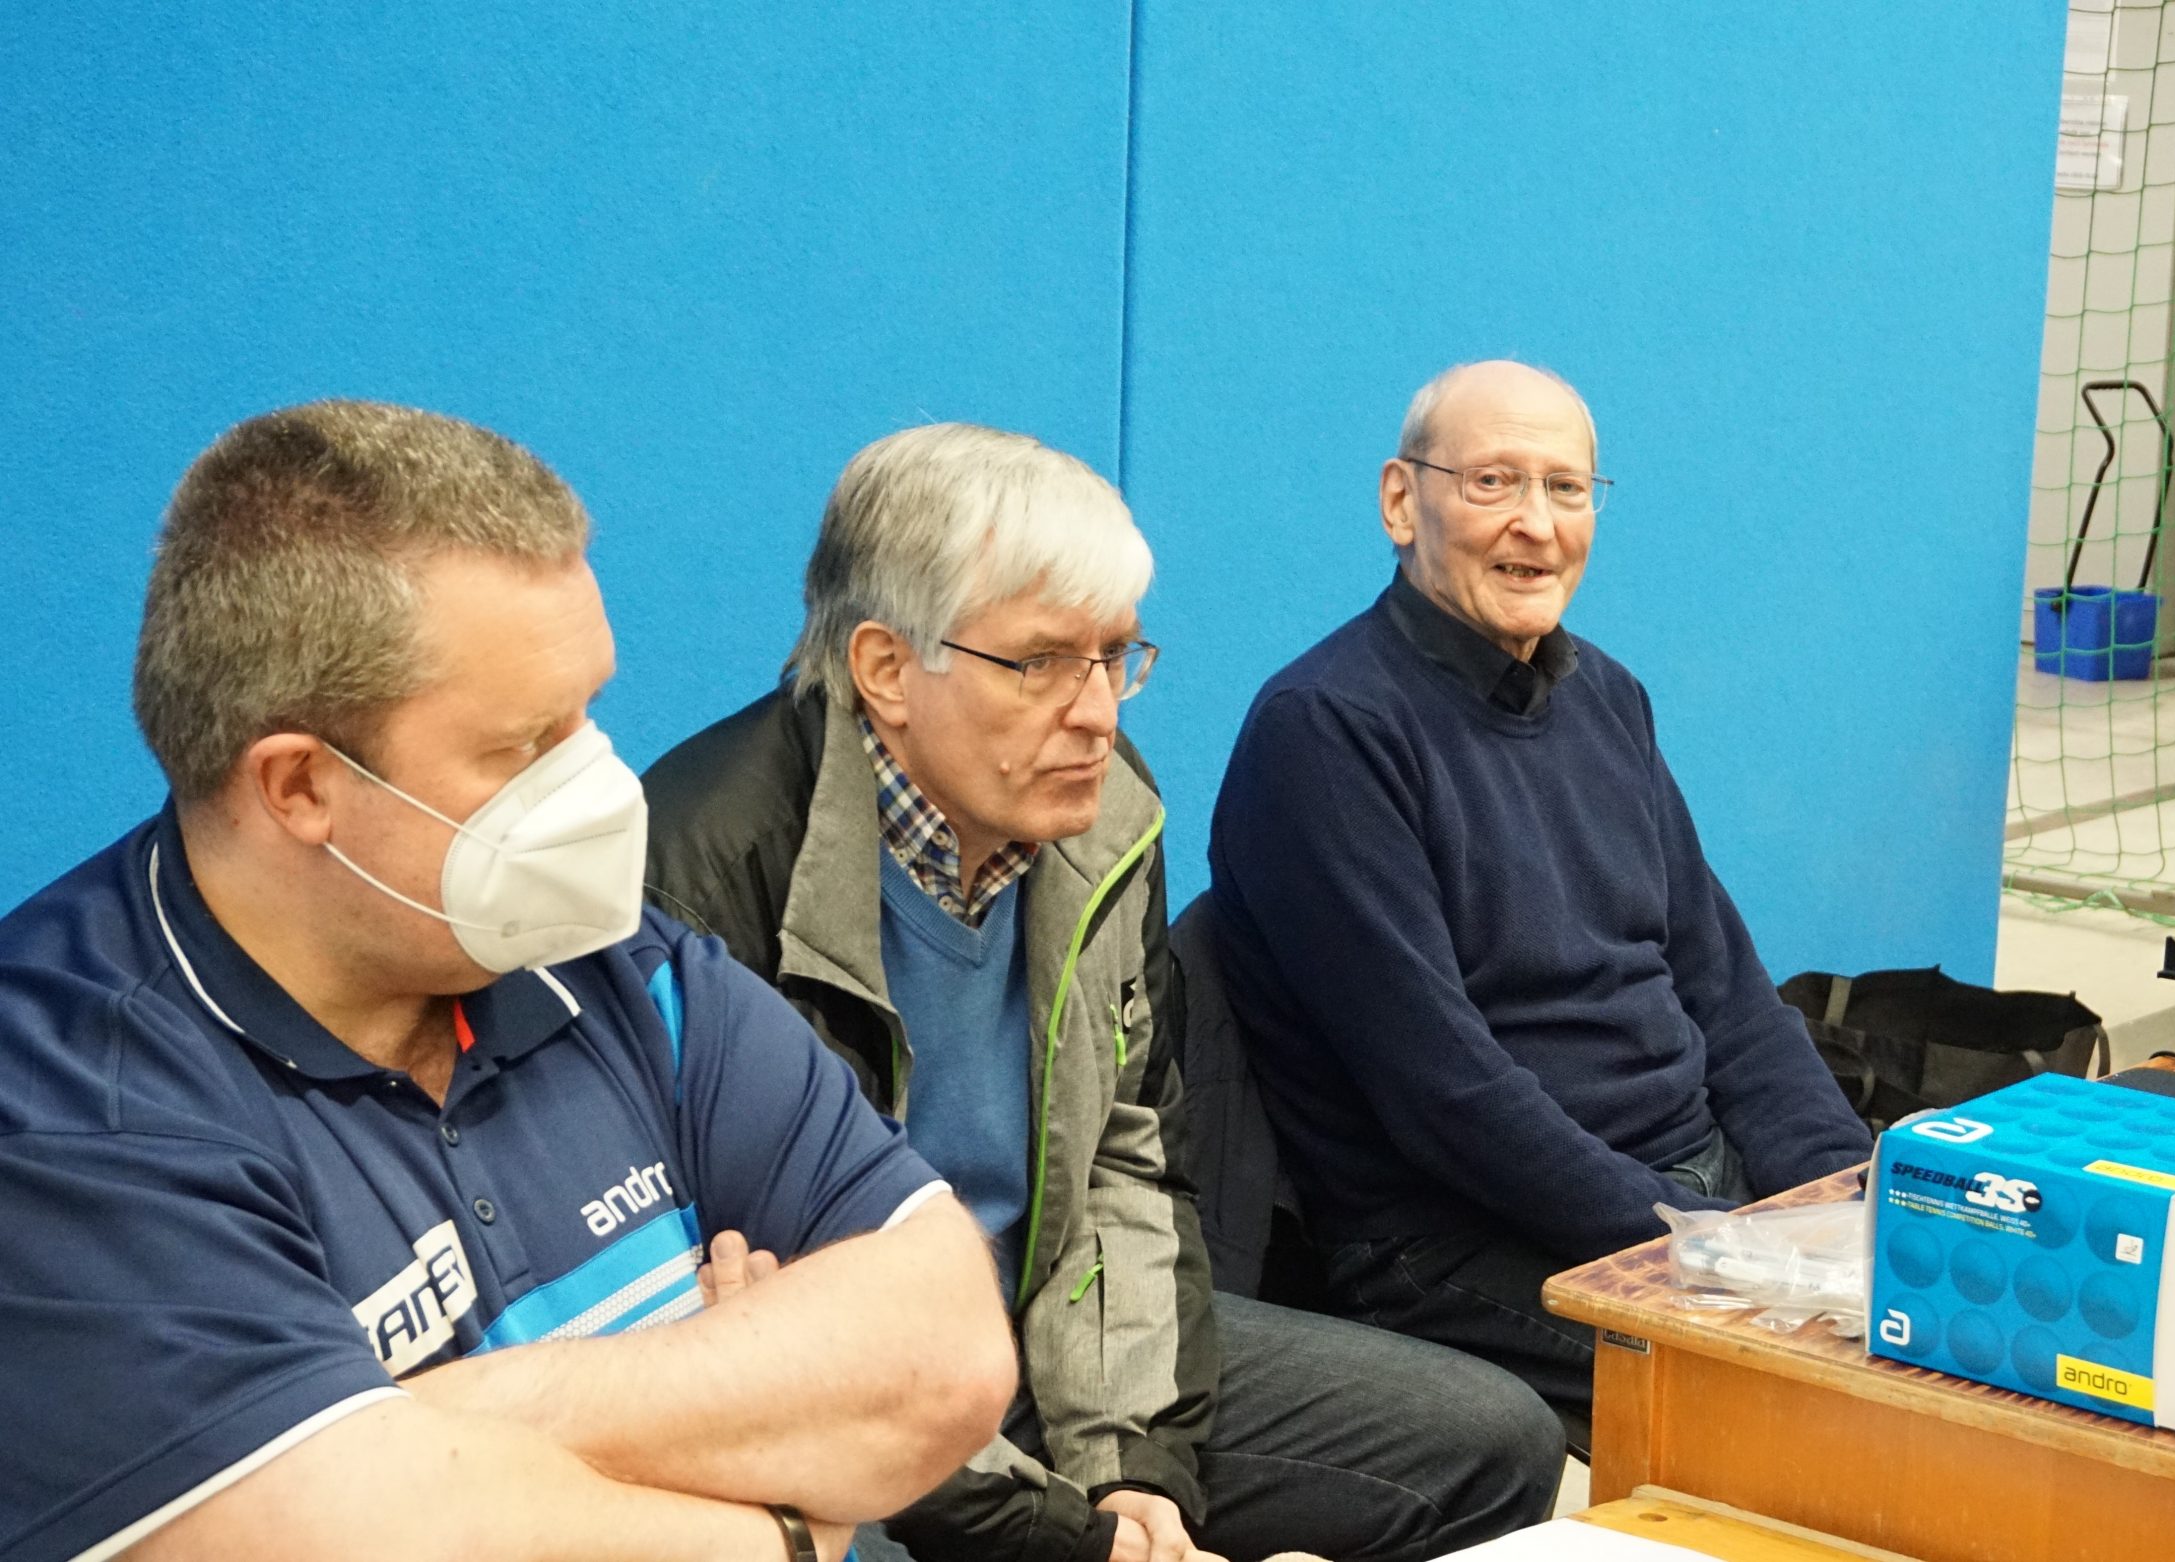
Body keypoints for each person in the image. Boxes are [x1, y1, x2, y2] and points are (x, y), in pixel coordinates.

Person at [0, 402, 1017, 1562]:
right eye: (525, 745)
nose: (597, 783)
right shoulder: (68, 1109)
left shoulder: (600, 956)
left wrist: (436, 1420)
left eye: (589, 711)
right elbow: (341, 1538)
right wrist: (780, 1520)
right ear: (298, 786)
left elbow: (945, 1351)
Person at [643, 422, 1562, 1562]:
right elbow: (777, 1317)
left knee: (1489, 1443)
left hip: (1051, 1324)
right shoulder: (702, 873)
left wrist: (1129, 1469)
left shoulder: (1101, 809)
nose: (1098, 712)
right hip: (848, 1393)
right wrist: (1069, 1536)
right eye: (1039, 663)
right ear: (885, 668)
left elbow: (1128, 1157)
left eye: (1114, 655)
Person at [1205, 361, 1875, 1442]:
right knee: (1835, 1409)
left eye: (1566, 488)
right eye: (1493, 482)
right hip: (1464, 1238)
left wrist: (1847, 1200)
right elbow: (1448, 1096)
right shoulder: (1324, 731)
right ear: (1400, 502)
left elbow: (1731, 997)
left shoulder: (1606, 695)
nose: (1537, 523)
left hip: (1684, 1190)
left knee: (1946, 1322)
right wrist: (1714, 1251)